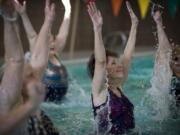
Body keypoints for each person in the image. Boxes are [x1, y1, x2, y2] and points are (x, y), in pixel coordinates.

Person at [0, 0, 59, 134]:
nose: (36, 76)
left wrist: (48, 21)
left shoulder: (31, 103)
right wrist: (9, 18)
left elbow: (39, 59)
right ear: (15, 83)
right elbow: (15, 61)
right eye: (30, 75)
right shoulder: (5, 102)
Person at [87, 1, 138, 134]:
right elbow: (101, 62)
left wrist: (134, 25)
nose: (120, 65)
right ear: (104, 72)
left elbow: (127, 57)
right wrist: (97, 29)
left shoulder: (119, 86)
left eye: (117, 62)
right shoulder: (99, 92)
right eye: (114, 63)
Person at [14, 0, 71, 102]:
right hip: (43, 103)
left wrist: (68, 10)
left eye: (53, 40)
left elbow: (64, 34)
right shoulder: (38, 56)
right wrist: (23, 14)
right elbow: (31, 36)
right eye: (49, 42)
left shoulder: (55, 54)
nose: (53, 44)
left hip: (61, 101)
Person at [152, 9, 180, 106]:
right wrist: (159, 24)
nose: (178, 62)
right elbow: (165, 51)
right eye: (176, 59)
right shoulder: (168, 78)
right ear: (170, 61)